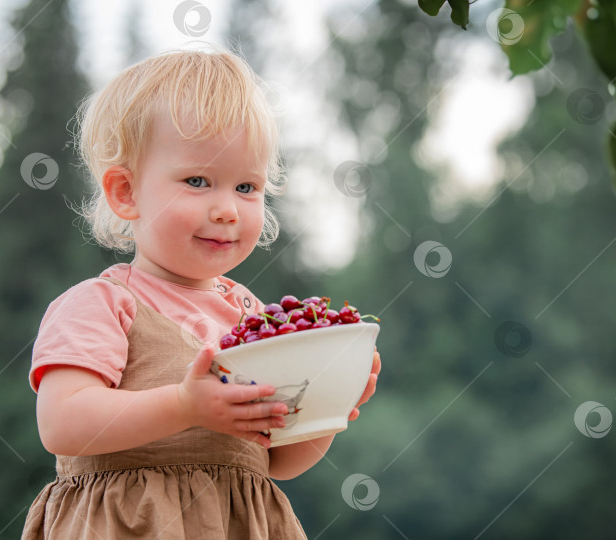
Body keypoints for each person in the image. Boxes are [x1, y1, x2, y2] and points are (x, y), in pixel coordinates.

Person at [21, 46, 382, 539]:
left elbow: (277, 460)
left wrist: (329, 409)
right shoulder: (103, 304)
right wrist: (184, 406)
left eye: (247, 187)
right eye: (198, 181)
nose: (227, 209)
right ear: (126, 192)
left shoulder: (254, 316)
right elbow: (62, 423)